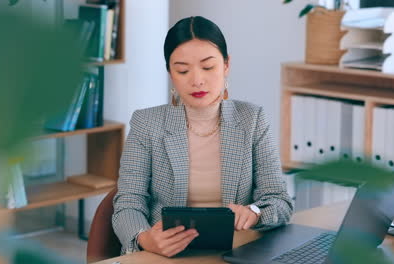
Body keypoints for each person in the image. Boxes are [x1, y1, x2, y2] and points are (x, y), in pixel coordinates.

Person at [112, 16, 293, 257]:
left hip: (237, 251)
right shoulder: (147, 124)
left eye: (208, 67)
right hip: (167, 254)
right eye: (182, 70)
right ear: (170, 73)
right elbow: (128, 203)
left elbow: (279, 200)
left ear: (226, 65)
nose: (197, 80)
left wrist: (255, 212)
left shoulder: (252, 119)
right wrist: (145, 239)